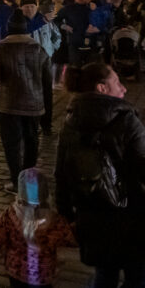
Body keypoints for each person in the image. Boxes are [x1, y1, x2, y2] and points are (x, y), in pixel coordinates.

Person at [55, 62, 145, 287]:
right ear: (101, 88)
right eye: (117, 82)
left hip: (91, 215)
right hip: (132, 216)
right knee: (138, 275)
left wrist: (68, 216)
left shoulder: (70, 122)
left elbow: (61, 175)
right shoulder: (127, 120)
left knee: (105, 274)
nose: (123, 88)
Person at [0, 167, 76, 288]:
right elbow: (69, 238)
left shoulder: (10, 215)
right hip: (43, 274)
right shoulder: (55, 221)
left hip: (17, 271)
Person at [0, 10, 51, 189]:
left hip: (9, 104)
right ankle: (29, 178)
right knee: (32, 141)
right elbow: (47, 78)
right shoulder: (38, 48)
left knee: (11, 143)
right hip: (34, 103)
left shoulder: (0, 47)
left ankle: (16, 179)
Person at [22, 0, 61, 136]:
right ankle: (31, 123)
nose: (29, 9)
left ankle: (46, 124)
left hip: (44, 61)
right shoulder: (20, 22)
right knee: (29, 93)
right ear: (21, 8)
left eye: (32, 6)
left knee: (46, 93)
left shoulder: (46, 21)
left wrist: (50, 50)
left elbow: (56, 36)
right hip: (26, 62)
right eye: (26, 7)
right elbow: (25, 30)